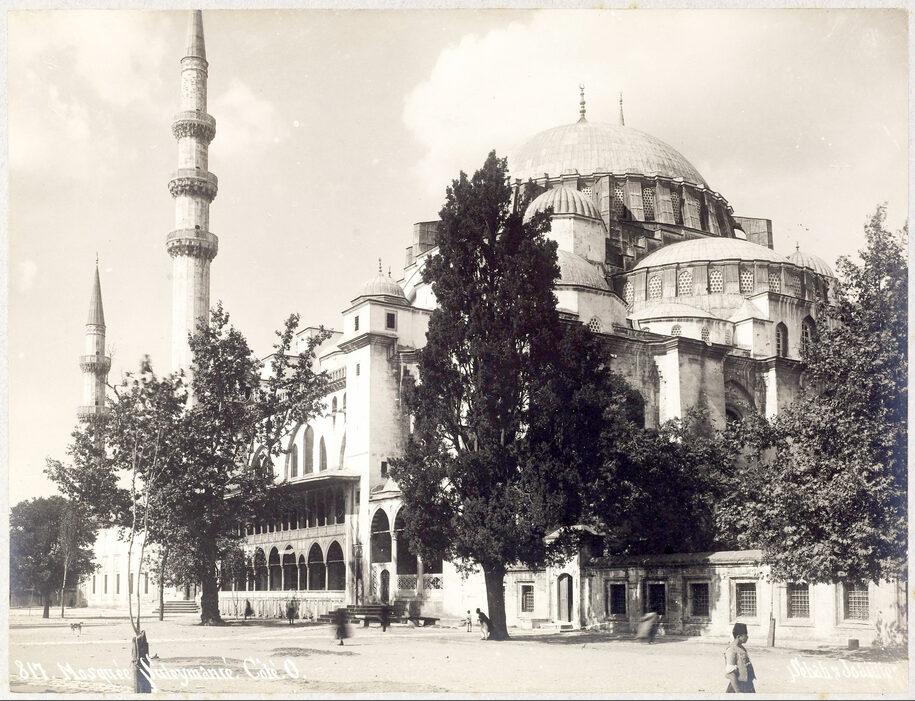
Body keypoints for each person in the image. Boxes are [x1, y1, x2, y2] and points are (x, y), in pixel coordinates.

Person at [725, 622, 756, 693]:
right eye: (745, 635)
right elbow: (731, 674)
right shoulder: (731, 650)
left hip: (748, 685)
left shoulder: (741, 647)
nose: (747, 637)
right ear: (738, 636)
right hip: (737, 687)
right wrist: (738, 692)